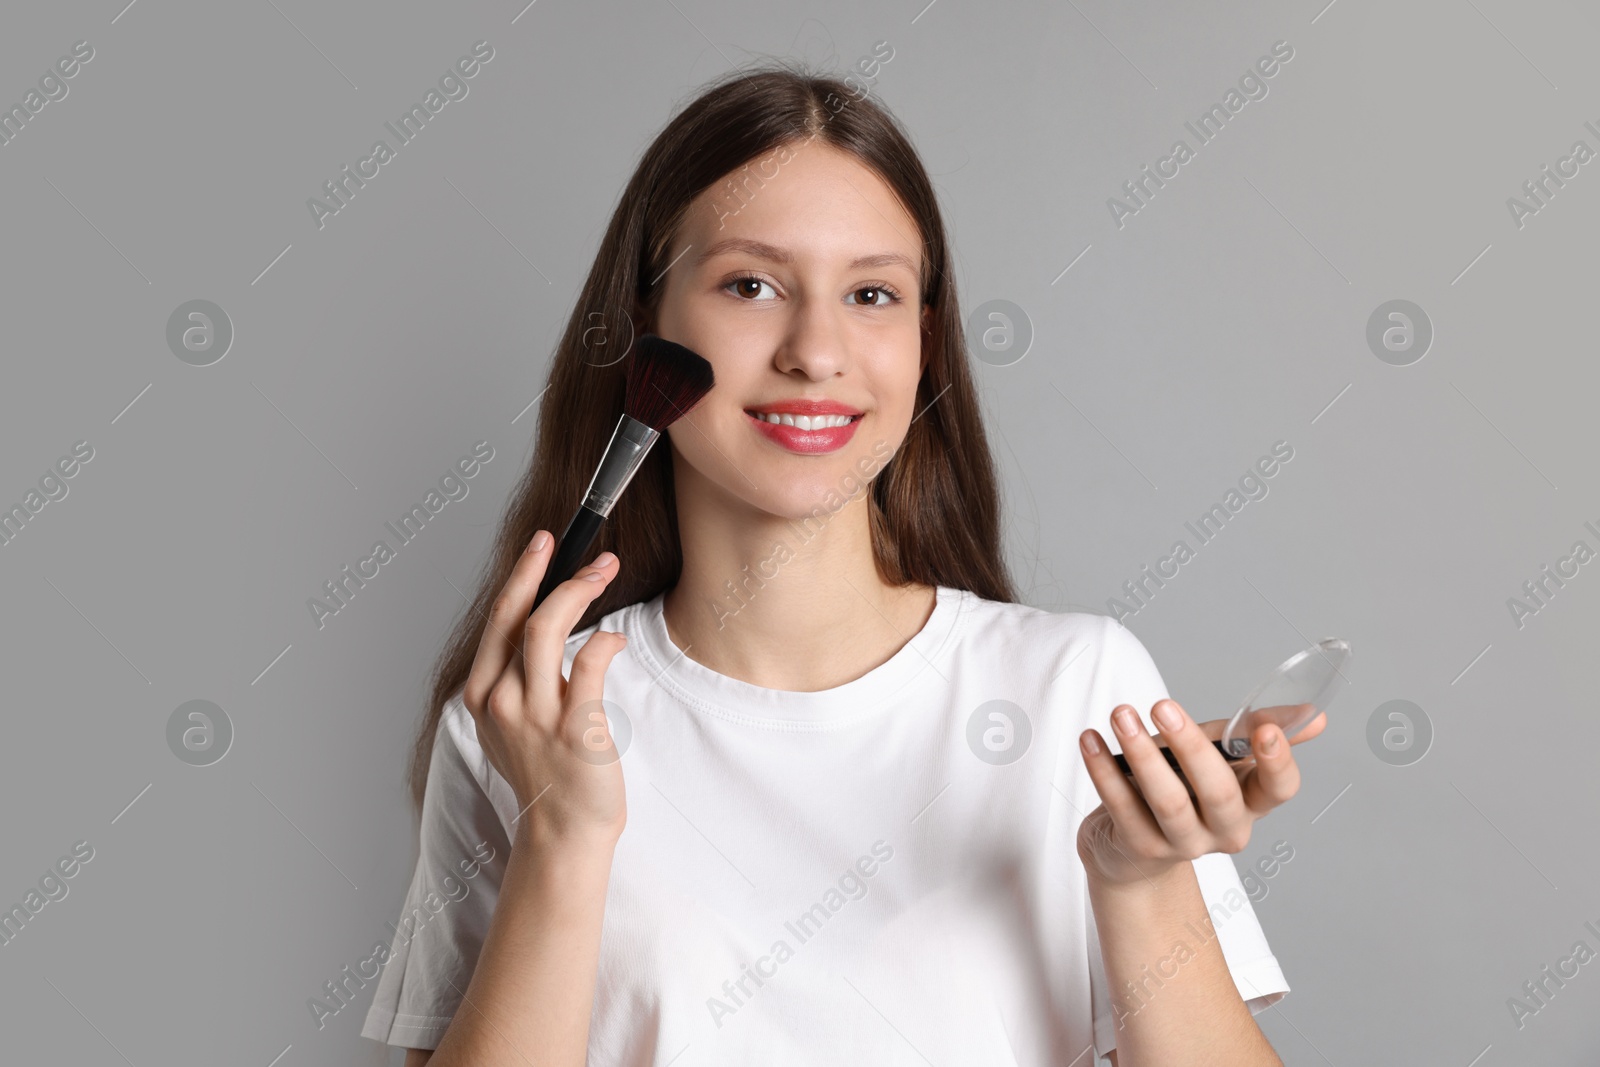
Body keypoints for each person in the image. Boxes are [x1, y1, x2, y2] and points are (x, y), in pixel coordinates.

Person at [360, 62, 1320, 1067]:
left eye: (871, 293)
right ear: (646, 329)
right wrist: (559, 839)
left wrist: (1138, 879)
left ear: (923, 343)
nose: (816, 350)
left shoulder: (1079, 689)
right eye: (751, 285)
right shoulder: (525, 717)